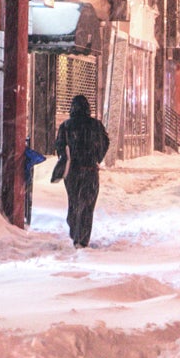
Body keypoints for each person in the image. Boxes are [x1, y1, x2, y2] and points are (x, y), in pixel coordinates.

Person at [51, 93, 111, 248]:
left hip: (72, 173)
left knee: (74, 202)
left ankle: (74, 229)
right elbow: (105, 142)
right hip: (90, 171)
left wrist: (67, 157)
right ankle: (82, 238)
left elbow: (59, 146)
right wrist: (97, 157)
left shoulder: (66, 126)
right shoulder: (96, 125)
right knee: (87, 205)